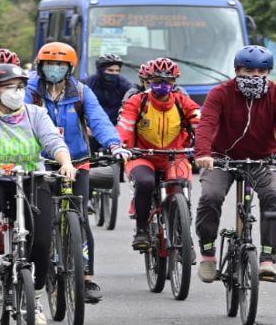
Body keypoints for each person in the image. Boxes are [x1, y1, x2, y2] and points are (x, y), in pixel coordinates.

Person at [0, 63, 76, 325]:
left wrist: (65, 162)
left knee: (42, 238)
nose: (16, 92)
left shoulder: (36, 113)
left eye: (20, 87)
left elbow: (53, 141)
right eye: (9, 87)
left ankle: (37, 294)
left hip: (31, 178)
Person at [27, 41, 131, 303]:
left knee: (80, 218)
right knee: (36, 220)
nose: (54, 69)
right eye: (49, 64)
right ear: (40, 66)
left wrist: (115, 144)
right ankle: (31, 273)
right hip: (38, 164)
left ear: (70, 68)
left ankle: (86, 278)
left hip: (76, 162)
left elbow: (98, 120)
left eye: (60, 64)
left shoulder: (82, 92)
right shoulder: (29, 90)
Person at [193, 46, 276, 283]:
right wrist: (203, 153)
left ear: (269, 72)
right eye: (248, 69)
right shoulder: (220, 93)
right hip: (222, 158)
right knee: (210, 196)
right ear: (236, 70)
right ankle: (208, 253)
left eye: (262, 71)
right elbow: (207, 124)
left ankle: (267, 258)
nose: (255, 75)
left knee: (273, 195)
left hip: (263, 159)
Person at [117, 58, 201, 249]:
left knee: (181, 186)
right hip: (142, 155)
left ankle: (183, 236)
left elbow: (199, 121)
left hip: (175, 156)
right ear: (147, 82)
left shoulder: (182, 101)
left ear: (175, 83)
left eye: (168, 81)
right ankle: (141, 231)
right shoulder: (137, 101)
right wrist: (120, 146)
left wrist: (206, 146)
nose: (162, 85)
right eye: (156, 81)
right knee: (145, 183)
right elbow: (125, 125)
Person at [83, 53, 134, 126]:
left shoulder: (123, 84)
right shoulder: (88, 84)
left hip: (117, 127)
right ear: (101, 70)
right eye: (110, 70)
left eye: (117, 71)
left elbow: (132, 100)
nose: (114, 73)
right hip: (92, 126)